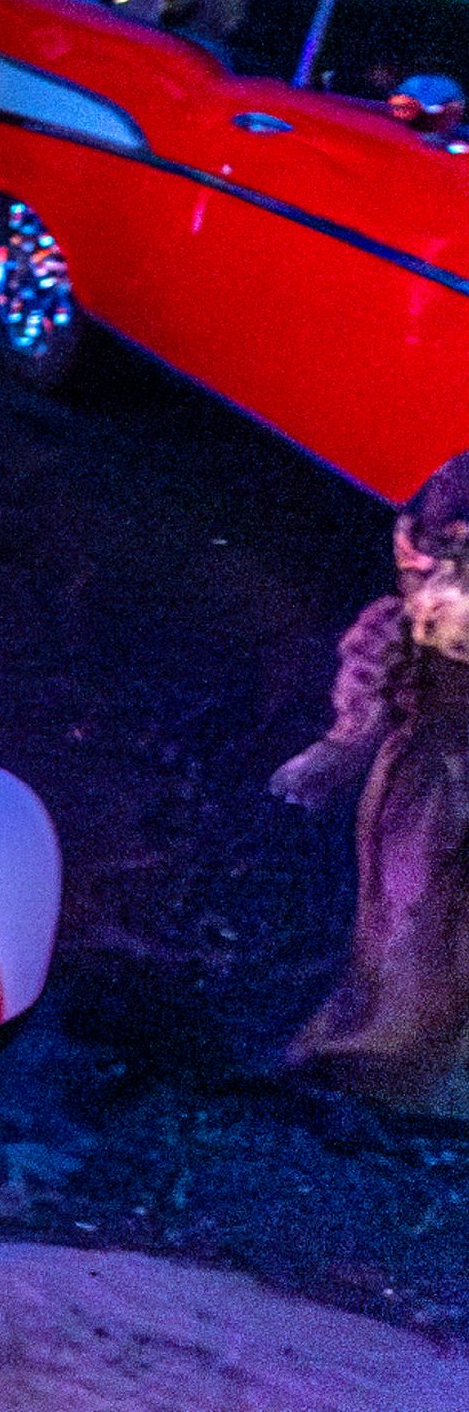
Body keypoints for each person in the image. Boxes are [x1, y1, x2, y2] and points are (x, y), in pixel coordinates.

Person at [272, 452, 469, 1106]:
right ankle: (383, 1063)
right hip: (431, 788)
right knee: (409, 922)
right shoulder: (415, 620)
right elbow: (377, 684)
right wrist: (337, 750)